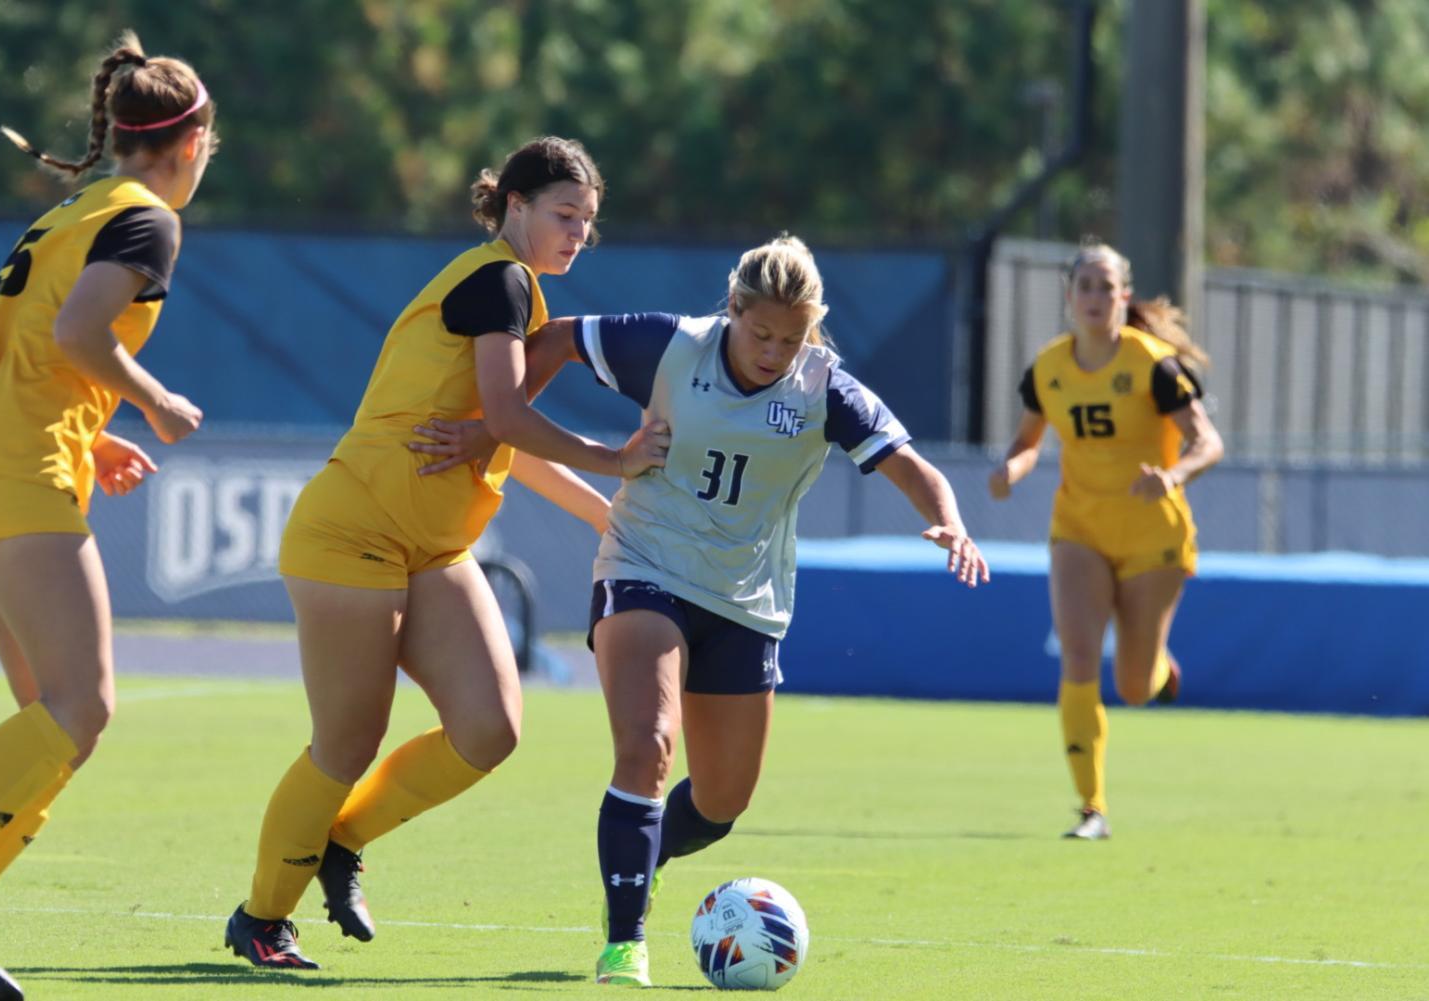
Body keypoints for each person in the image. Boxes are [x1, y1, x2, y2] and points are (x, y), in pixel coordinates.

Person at [224, 136, 669, 970]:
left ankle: (339, 839)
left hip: (431, 545)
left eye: (587, 221)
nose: (576, 232)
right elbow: (504, 418)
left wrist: (606, 513)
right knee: (346, 742)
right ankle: (261, 917)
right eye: (563, 214)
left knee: (488, 729)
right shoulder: (498, 278)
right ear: (514, 206)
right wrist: (617, 457)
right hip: (352, 531)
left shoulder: (522, 297)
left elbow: (503, 440)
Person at [515, 234, 990, 986]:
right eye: (761, 332)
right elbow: (554, 340)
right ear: (732, 308)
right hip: (645, 565)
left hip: (745, 600)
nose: (774, 350)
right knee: (647, 745)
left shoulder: (823, 387)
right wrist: (507, 415)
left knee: (722, 799)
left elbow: (910, 464)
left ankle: (651, 851)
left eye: (791, 337)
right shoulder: (669, 345)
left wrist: (949, 521)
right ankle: (621, 944)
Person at [0, 31, 212, 999]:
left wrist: (91, 438)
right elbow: (78, 334)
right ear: (192, 141)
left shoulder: (71, 211)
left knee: (47, 721)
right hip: (17, 473)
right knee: (81, 706)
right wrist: (155, 401)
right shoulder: (145, 220)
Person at [988, 240, 1224, 840]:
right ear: (1070, 297)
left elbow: (1208, 442)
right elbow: (1027, 442)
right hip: (1080, 530)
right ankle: (1092, 807)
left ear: (1124, 296)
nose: (1094, 297)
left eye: (1105, 286)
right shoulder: (1049, 369)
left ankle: (1158, 670)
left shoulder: (1154, 365)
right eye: (1084, 286)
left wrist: (1170, 477)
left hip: (1154, 536)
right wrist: (1010, 471)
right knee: (1079, 659)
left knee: (1133, 687)